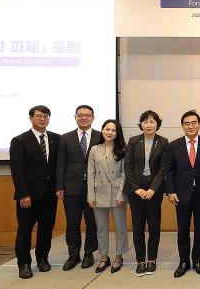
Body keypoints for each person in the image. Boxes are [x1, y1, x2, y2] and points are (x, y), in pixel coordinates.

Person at [10, 105, 60, 279]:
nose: (43, 118)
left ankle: (42, 258)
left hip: (49, 193)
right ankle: (23, 263)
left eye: (46, 116)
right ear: (31, 118)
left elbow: (57, 167)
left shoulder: (56, 138)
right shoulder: (20, 140)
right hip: (28, 195)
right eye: (39, 116)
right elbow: (17, 170)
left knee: (46, 228)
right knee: (25, 229)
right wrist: (23, 194)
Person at [163, 110, 200, 278]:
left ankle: (198, 260)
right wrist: (170, 191)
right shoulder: (173, 146)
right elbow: (168, 172)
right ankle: (184, 261)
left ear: (199, 124)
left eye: (194, 123)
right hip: (181, 195)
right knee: (182, 230)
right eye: (187, 123)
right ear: (182, 125)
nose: (191, 126)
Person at [56, 105, 101, 271]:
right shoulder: (65, 138)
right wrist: (59, 186)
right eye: (80, 115)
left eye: (87, 115)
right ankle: (73, 255)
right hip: (71, 187)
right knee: (72, 223)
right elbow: (60, 163)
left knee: (92, 222)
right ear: (75, 117)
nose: (84, 118)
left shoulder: (101, 136)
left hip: (94, 188)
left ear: (93, 117)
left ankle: (89, 253)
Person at [124, 110, 169, 276]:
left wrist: (153, 189)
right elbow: (127, 167)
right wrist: (136, 188)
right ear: (141, 124)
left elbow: (163, 169)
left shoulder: (163, 142)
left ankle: (152, 259)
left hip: (154, 190)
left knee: (154, 226)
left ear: (157, 124)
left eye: (152, 122)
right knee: (138, 227)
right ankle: (140, 259)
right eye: (145, 122)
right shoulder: (133, 141)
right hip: (136, 190)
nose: (149, 125)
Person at [87, 119, 128, 274]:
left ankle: (119, 256)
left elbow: (125, 174)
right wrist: (91, 196)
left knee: (120, 227)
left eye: (113, 130)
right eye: (107, 129)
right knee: (101, 228)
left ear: (118, 133)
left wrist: (121, 195)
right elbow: (90, 174)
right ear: (102, 130)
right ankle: (104, 256)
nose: (110, 132)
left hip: (117, 193)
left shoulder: (123, 149)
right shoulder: (94, 149)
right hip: (99, 194)